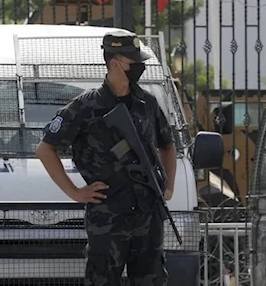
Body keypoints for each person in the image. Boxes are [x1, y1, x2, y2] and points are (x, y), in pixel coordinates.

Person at [36, 30, 177, 286]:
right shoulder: (85, 107)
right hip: (109, 214)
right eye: (134, 61)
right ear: (115, 62)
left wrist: (168, 186)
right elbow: (45, 149)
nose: (140, 67)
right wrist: (75, 192)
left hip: (147, 212)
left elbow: (168, 146)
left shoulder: (147, 103)